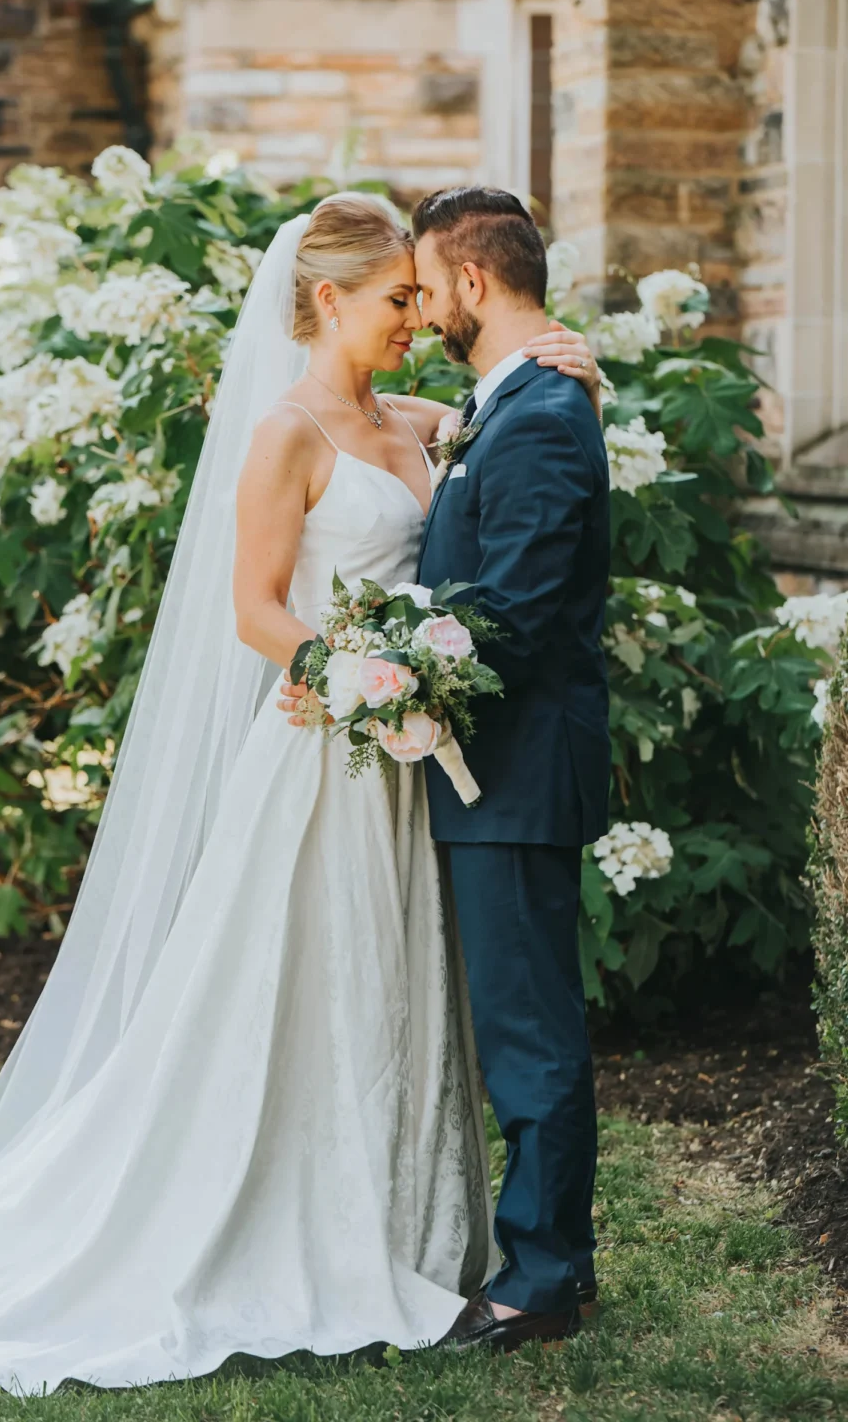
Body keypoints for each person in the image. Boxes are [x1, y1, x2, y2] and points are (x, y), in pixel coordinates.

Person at [0, 194, 600, 1396]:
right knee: (305, 991)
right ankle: (281, 1221)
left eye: (419, 294)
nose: (413, 318)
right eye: (395, 298)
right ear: (327, 299)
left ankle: (412, 1233)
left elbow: (515, 448)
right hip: (334, 756)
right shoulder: (285, 433)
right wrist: (343, 675)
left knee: (407, 993)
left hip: (423, 772)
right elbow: (256, 610)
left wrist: (567, 361)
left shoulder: (423, 421)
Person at [414, 187, 610, 1351]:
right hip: (498, 773)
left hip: (517, 773)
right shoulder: (514, 401)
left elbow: (518, 609)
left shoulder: (535, 413)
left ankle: (542, 1277)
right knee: (518, 1017)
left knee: (529, 1029)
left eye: (428, 287)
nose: (425, 306)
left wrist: (390, 661)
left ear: (472, 284)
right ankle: (547, 1258)